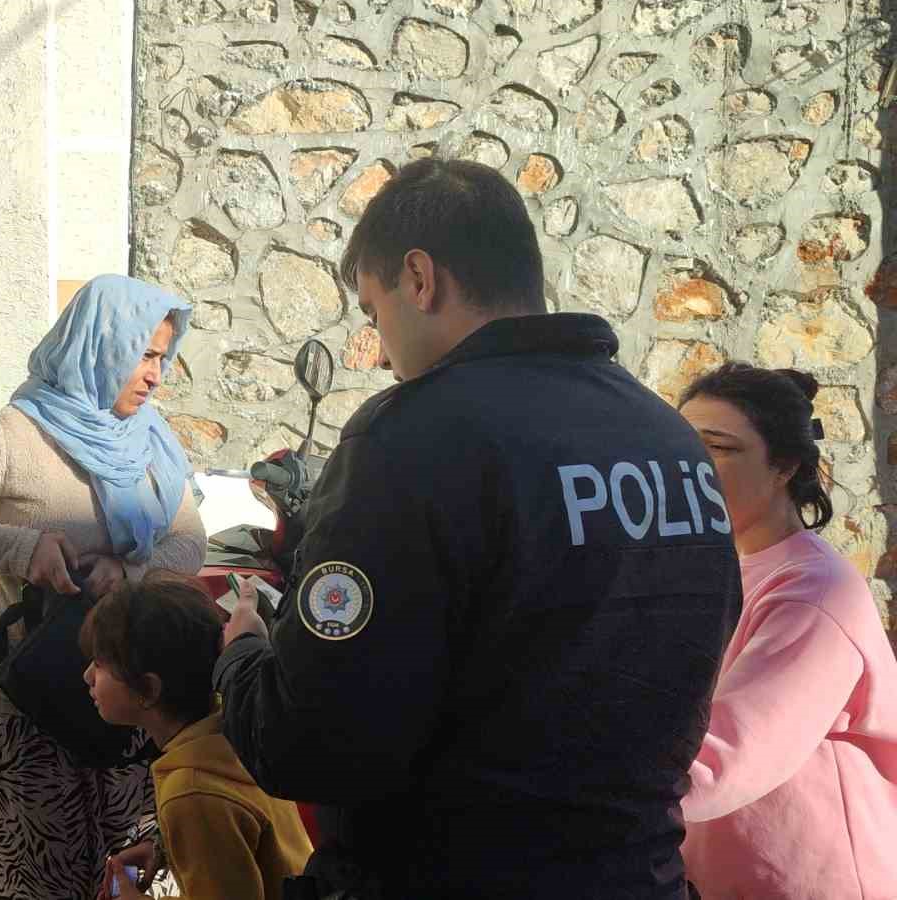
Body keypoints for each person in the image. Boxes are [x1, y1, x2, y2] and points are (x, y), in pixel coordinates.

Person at [214, 158, 743, 899]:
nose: (380, 353)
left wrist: (241, 655)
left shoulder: (411, 438)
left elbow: (312, 743)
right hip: (638, 875)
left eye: (373, 313)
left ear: (419, 279)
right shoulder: (669, 438)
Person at [0, 274, 208, 899]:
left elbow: (189, 540)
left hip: (128, 701)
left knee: (132, 867)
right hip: (26, 700)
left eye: (162, 357)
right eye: (144, 356)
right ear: (100, 347)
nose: (156, 376)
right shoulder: (15, 434)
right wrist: (21, 549)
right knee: (39, 875)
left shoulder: (150, 441)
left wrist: (131, 573)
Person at [677, 363, 897, 899]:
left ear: (784, 466)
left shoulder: (814, 592)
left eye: (718, 448)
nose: (689, 466)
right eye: (681, 445)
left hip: (812, 880)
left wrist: (588, 799)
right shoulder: (713, 567)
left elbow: (726, 758)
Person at [81, 574, 311, 900]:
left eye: (100, 664)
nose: (87, 676)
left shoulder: (190, 793)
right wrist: (164, 846)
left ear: (148, 689)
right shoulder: (237, 728)